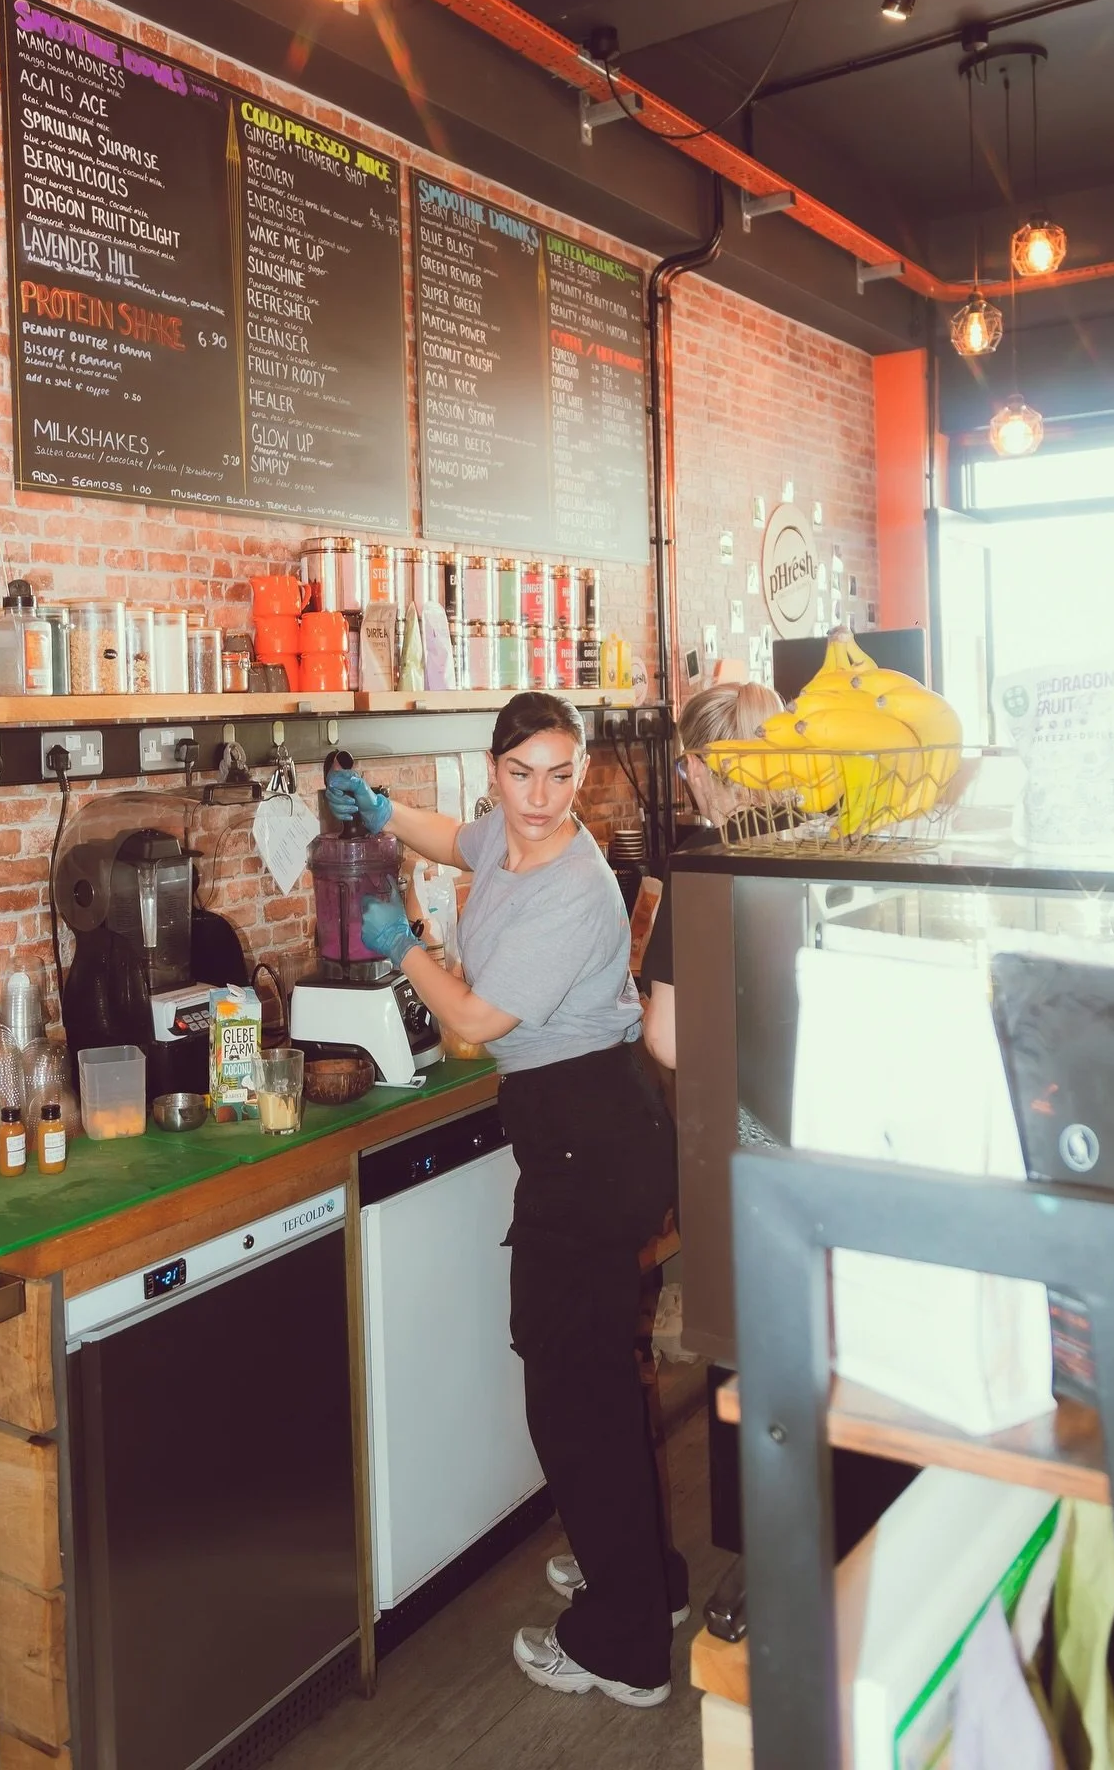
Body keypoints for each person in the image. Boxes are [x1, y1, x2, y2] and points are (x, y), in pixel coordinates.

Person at [326, 692, 684, 1709]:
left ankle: (623, 1647)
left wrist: (403, 947)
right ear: (494, 768)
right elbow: (460, 838)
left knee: (572, 1392)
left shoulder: (572, 881)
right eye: (522, 771)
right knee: (593, 1380)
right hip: (578, 1132)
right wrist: (383, 810)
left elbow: (478, 1017)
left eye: (560, 773)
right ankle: (641, 1582)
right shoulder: (512, 838)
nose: (540, 796)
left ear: (583, 773)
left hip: (592, 1137)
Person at [641, 680, 781, 1070]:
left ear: (696, 767)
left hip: (737, 1099)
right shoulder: (815, 832)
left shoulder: (700, 862)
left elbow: (667, 1041)